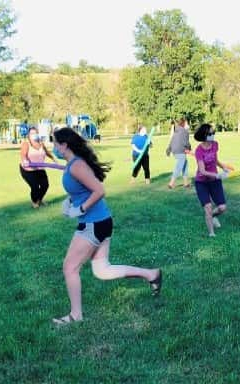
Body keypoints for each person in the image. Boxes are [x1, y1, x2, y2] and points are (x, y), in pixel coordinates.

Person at [51, 128, 162, 325]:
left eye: (55, 144)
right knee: (102, 270)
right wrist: (70, 202)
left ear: (64, 145)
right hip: (100, 221)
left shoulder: (77, 165)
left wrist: (81, 209)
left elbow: (99, 190)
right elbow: (82, 189)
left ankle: (76, 315)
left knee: (69, 267)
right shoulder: (73, 164)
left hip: (94, 223)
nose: (54, 148)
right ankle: (151, 274)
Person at [193, 123, 232, 237]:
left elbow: (215, 160)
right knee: (208, 207)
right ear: (205, 135)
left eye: (213, 133)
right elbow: (202, 171)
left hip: (214, 182)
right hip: (202, 182)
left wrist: (223, 167)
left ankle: (213, 216)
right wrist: (217, 175)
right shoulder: (199, 150)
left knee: (222, 208)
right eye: (210, 133)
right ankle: (211, 233)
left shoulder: (215, 145)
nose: (213, 135)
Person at [19, 127, 57, 208]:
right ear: (28, 135)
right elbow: (23, 155)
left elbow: (46, 152)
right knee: (35, 186)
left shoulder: (41, 143)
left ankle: (39, 199)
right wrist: (25, 161)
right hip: (28, 170)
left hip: (40, 168)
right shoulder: (26, 144)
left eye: (35, 133)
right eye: (32, 133)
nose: (34, 135)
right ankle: (34, 201)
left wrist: (53, 158)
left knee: (45, 185)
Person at [166, 117, 192, 189]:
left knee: (185, 164)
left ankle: (186, 183)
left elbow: (172, 140)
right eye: (186, 123)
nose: (187, 124)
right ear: (184, 123)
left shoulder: (176, 131)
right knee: (179, 167)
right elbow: (186, 143)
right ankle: (171, 183)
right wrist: (189, 148)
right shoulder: (185, 131)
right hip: (180, 151)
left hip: (175, 150)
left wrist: (169, 149)